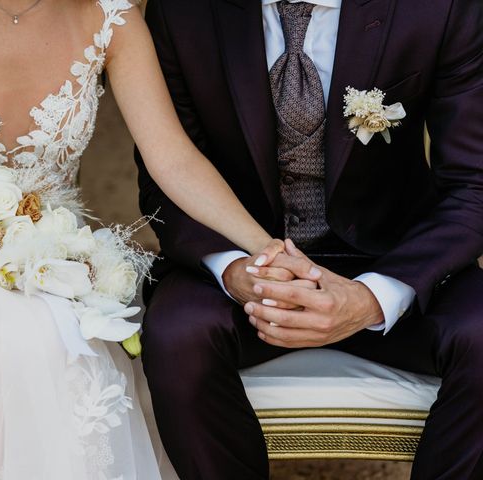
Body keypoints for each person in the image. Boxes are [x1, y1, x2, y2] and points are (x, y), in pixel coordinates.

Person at [0, 0, 284, 478]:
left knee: (63, 340)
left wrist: (265, 248)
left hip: (55, 262)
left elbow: (173, 159)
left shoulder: (111, 18)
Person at [136, 0, 483, 479]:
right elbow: (165, 178)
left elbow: (474, 184)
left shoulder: (439, 8)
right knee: (176, 334)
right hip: (248, 262)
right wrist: (238, 270)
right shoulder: (184, 12)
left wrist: (373, 296)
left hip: (393, 256)